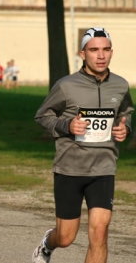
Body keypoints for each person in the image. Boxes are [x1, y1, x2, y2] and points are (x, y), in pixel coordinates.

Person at [32, 27, 133, 263]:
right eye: (94, 50)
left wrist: (125, 126)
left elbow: (127, 112)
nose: (101, 55)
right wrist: (68, 125)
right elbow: (43, 116)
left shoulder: (120, 85)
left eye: (106, 49)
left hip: (103, 169)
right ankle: (48, 243)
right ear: (82, 53)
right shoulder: (66, 85)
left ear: (111, 52)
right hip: (70, 169)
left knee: (99, 232)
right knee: (66, 237)